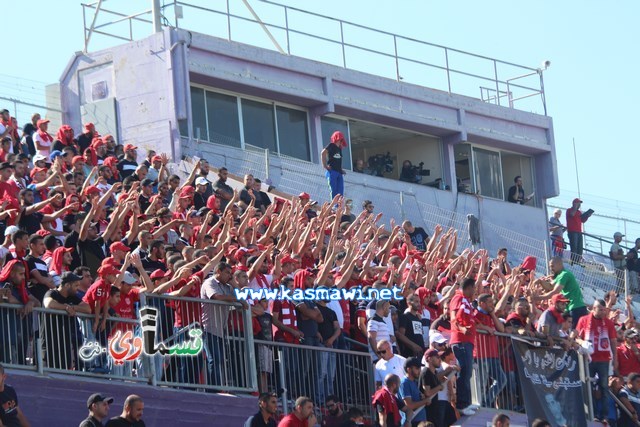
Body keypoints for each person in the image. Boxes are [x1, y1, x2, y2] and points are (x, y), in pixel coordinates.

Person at [572, 299, 618, 422]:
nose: (604, 312)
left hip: (604, 359)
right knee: (588, 386)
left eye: (604, 310)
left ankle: (604, 416)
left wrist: (615, 359)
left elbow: (613, 341)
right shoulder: (583, 320)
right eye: (601, 310)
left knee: (604, 386)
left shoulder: (608, 323)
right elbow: (577, 337)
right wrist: (581, 341)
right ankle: (592, 414)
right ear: (594, 308)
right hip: (589, 358)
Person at [448, 278, 477, 416]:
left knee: (467, 373)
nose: (474, 291)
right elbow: (453, 316)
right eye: (474, 288)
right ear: (469, 288)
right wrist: (462, 328)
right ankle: (462, 404)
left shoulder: (466, 301)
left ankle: (466, 403)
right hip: (461, 340)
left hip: (467, 341)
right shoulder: (457, 298)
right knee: (464, 372)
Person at [537, 257, 587, 328]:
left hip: (576, 308)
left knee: (573, 331)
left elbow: (554, 291)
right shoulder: (559, 275)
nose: (551, 268)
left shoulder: (565, 274)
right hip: (571, 307)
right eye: (550, 266)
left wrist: (536, 298)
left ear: (559, 264)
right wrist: (540, 281)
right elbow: (550, 287)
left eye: (552, 266)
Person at [398, 357, 429, 426]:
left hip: (420, 421)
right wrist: (425, 401)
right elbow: (409, 405)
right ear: (408, 369)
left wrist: (423, 398)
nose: (420, 371)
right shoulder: (404, 383)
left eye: (420, 368)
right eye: (417, 368)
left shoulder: (414, 381)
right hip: (412, 422)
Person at [566, 198, 592, 264]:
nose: (579, 205)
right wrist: (575, 207)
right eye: (578, 203)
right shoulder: (569, 210)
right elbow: (572, 214)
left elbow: (582, 220)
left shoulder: (579, 212)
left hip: (579, 231)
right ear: (574, 203)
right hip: (572, 231)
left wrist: (587, 216)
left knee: (580, 248)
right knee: (574, 247)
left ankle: (577, 261)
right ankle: (573, 261)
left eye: (579, 203)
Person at [322, 131, 346, 199]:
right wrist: (325, 165)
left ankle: (339, 206)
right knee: (333, 190)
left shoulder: (339, 148)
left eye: (341, 139)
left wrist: (341, 169)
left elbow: (339, 160)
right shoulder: (331, 145)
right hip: (332, 171)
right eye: (340, 139)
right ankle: (334, 206)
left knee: (340, 191)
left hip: (338, 172)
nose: (341, 141)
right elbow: (323, 153)